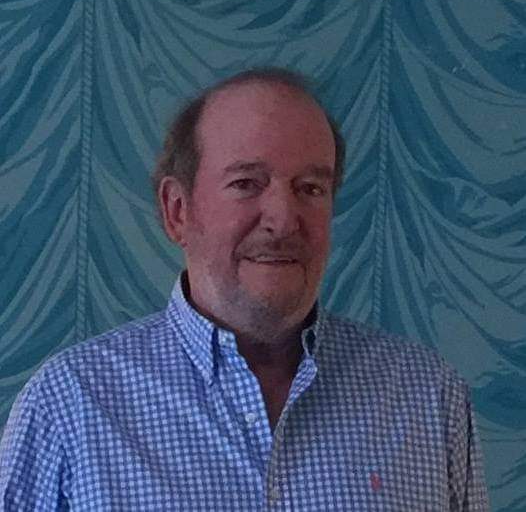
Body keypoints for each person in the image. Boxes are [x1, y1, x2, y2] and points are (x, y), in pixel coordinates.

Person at [0, 68, 489, 511]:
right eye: (247, 183)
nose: (283, 219)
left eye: (310, 188)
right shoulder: (69, 406)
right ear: (177, 210)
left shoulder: (429, 397)